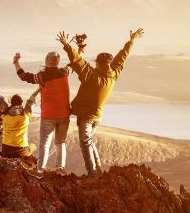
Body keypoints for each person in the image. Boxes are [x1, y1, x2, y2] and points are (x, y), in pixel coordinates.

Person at [57, 28, 144, 176]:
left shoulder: (91, 75)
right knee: (89, 141)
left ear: (98, 63)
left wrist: (66, 44)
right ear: (109, 64)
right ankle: (97, 169)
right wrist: (131, 41)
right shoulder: (113, 74)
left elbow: (77, 61)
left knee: (85, 143)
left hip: (86, 116)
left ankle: (93, 173)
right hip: (98, 116)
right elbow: (122, 57)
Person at [14, 52, 72, 179]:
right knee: (60, 142)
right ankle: (60, 168)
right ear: (58, 61)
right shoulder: (65, 72)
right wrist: (78, 50)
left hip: (48, 115)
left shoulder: (41, 76)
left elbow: (23, 76)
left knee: (44, 143)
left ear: (46, 61)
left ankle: (39, 171)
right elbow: (73, 64)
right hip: (64, 114)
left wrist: (16, 62)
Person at [0, 76, 38, 158]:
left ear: (11, 102)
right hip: (21, 150)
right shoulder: (25, 113)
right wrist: (40, 89)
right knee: (33, 146)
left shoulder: (5, 112)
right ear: (21, 103)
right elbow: (32, 99)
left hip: (6, 149)